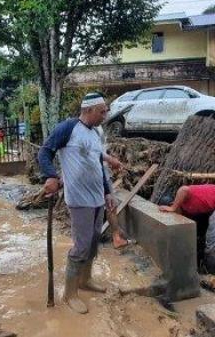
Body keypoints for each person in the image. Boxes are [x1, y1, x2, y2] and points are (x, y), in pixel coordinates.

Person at [38, 93, 123, 314]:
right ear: (89, 110)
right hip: (78, 199)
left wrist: (107, 192)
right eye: (102, 111)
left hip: (96, 197)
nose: (105, 115)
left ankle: (85, 281)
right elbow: (45, 152)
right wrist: (50, 176)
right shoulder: (67, 128)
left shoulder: (95, 133)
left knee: (94, 242)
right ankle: (70, 294)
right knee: (81, 246)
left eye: (106, 111)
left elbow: (97, 163)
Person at [158, 184, 215, 268]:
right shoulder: (188, 208)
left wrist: (173, 208)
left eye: (172, 213)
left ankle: (211, 272)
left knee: (213, 242)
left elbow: (184, 189)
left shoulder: (183, 199)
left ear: (173, 203)